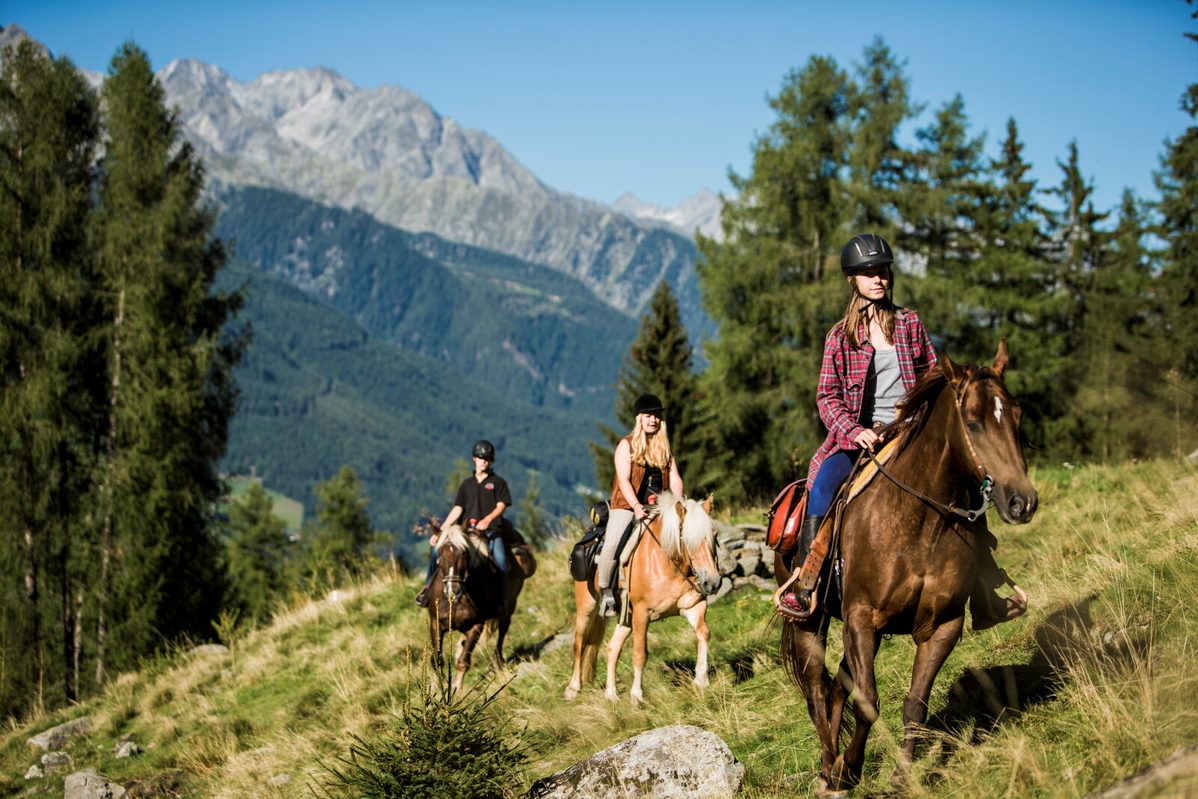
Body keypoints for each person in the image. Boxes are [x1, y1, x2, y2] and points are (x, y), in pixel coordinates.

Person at [783, 233, 936, 613]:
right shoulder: (839, 337)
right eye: (868, 273)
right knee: (821, 488)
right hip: (857, 442)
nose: (877, 279)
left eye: (882, 271)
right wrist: (855, 431)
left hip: (911, 434)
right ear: (852, 279)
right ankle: (806, 581)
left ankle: (987, 583)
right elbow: (827, 398)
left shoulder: (910, 324)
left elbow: (933, 376)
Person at [595, 393, 684, 617]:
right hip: (626, 505)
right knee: (614, 543)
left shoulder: (664, 448)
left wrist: (678, 501)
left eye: (656, 416)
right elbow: (624, 480)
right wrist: (635, 506)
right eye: (648, 416)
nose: (653, 420)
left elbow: (674, 478)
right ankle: (605, 590)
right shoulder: (626, 445)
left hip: (659, 506)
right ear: (639, 418)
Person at [415, 439, 513, 607]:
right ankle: (427, 589)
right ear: (474, 459)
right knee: (436, 553)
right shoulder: (466, 485)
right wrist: (441, 531)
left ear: (491, 461)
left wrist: (487, 519)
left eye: (487, 458)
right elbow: (458, 509)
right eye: (481, 457)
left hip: (490, 531)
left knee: (501, 560)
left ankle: (503, 599)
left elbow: (501, 505)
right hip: (466, 533)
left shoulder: (498, 483)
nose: (484, 461)